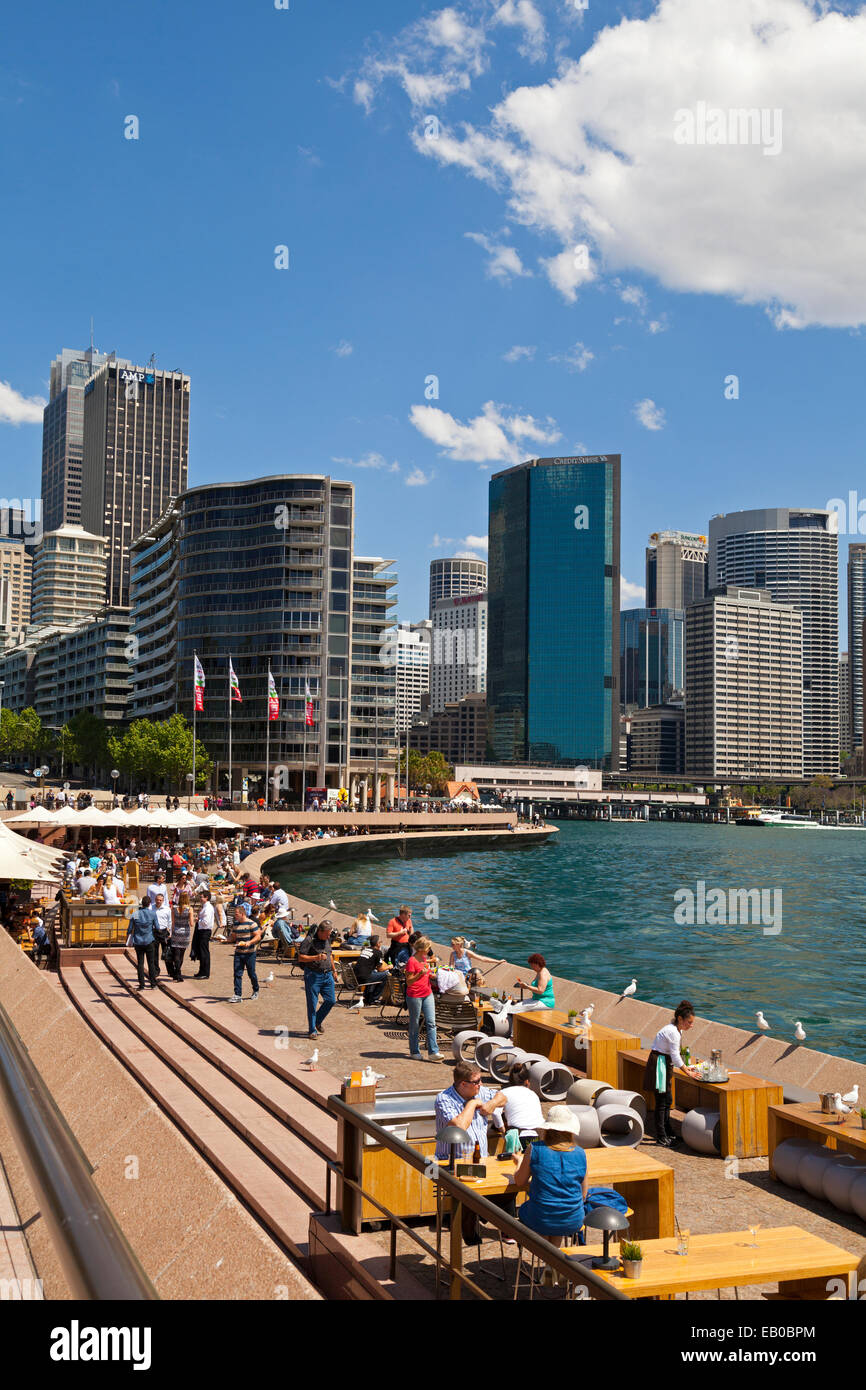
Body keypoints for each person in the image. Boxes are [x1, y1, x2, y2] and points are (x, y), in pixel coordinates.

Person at [511, 1106, 588, 1248]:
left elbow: (520, 1181)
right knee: (556, 1212)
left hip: (542, 1217)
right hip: (573, 1219)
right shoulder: (580, 1153)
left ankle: (548, 1257)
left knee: (535, 1211)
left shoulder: (535, 1148)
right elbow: (584, 1194)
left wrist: (519, 1163)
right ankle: (552, 1261)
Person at [644, 999, 700, 1146]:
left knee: (667, 1100)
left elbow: (674, 1055)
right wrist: (687, 1071)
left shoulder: (675, 1029)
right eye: (689, 1022)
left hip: (664, 1062)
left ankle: (668, 1132)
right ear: (680, 1019)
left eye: (692, 1022)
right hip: (659, 1064)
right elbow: (675, 1055)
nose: (691, 1025)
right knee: (661, 1102)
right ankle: (661, 1136)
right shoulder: (673, 1032)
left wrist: (687, 1067)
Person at [434, 1061, 506, 1159]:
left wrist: (492, 1103)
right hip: (451, 1163)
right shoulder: (444, 1099)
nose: (481, 1084)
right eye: (476, 1081)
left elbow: (503, 1097)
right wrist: (473, 1103)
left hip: (481, 1160)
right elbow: (460, 1126)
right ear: (463, 1084)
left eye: (481, 1079)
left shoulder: (480, 1091)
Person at [405, 935, 443, 1061]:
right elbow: (409, 981)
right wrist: (420, 974)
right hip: (415, 995)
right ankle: (414, 1051)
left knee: (431, 1022)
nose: (429, 950)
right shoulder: (412, 961)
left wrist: (430, 975)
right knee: (415, 1024)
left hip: (427, 993)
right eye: (428, 948)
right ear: (422, 948)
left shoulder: (424, 958)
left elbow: (425, 973)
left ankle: (433, 1052)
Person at [298, 919, 337, 1038]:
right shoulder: (309, 940)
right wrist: (316, 957)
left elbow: (330, 955)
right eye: (328, 933)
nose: (329, 936)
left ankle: (317, 1021)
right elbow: (300, 957)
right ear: (320, 931)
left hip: (327, 975)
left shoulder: (327, 939)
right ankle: (312, 1030)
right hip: (313, 975)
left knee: (331, 1001)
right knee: (312, 1003)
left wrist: (334, 970)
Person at [500, 1061, 545, 1146]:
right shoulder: (533, 1094)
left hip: (519, 1136)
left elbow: (495, 1113)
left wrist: (501, 1129)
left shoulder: (504, 1093)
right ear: (527, 1082)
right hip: (539, 1134)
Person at [499, 954, 556, 1018]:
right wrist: (525, 986)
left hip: (545, 1002)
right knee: (516, 1005)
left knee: (515, 1008)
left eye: (532, 965)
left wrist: (527, 986)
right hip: (536, 999)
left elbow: (540, 991)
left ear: (537, 964)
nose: (531, 967)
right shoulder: (539, 972)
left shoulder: (543, 974)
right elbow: (535, 987)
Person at [228, 903, 262, 1002]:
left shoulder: (252, 924)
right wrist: (225, 939)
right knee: (237, 973)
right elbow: (233, 937)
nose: (235, 916)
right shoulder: (236, 924)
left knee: (251, 973)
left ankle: (256, 990)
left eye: (237, 914)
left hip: (250, 952)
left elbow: (258, 936)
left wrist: (249, 942)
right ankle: (238, 995)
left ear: (242, 914)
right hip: (238, 952)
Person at [349, 934, 390, 1008]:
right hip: (363, 979)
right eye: (380, 942)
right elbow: (380, 969)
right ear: (377, 944)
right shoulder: (378, 952)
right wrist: (389, 967)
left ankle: (368, 996)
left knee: (373, 973)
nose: (381, 943)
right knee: (385, 975)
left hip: (355, 977)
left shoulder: (365, 949)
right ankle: (374, 999)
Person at [129, 895, 158, 991]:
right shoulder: (152, 914)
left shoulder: (135, 914)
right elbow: (157, 927)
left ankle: (142, 985)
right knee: (151, 963)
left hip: (138, 941)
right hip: (149, 940)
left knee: (140, 964)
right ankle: (153, 984)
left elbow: (129, 929)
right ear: (149, 904)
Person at [169, 890, 194, 981]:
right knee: (182, 954)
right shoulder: (189, 909)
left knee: (176, 952)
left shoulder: (174, 908)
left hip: (176, 931)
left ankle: (177, 972)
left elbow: (173, 922)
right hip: (185, 932)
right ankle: (178, 972)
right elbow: (191, 923)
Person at [193, 890, 215, 981]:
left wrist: (199, 920)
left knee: (204, 952)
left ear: (206, 897)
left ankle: (205, 972)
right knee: (201, 951)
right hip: (202, 930)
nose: (200, 898)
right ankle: (201, 971)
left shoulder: (208, 908)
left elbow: (206, 922)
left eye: (202, 897)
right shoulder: (205, 907)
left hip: (205, 931)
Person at [152, 892, 174, 975]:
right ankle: (156, 971)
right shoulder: (151, 908)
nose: (158, 901)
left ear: (163, 900)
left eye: (160, 900)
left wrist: (170, 933)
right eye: (157, 900)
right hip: (154, 932)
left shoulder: (167, 909)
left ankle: (170, 971)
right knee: (154, 953)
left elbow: (170, 921)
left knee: (167, 952)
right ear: (155, 900)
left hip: (164, 932)